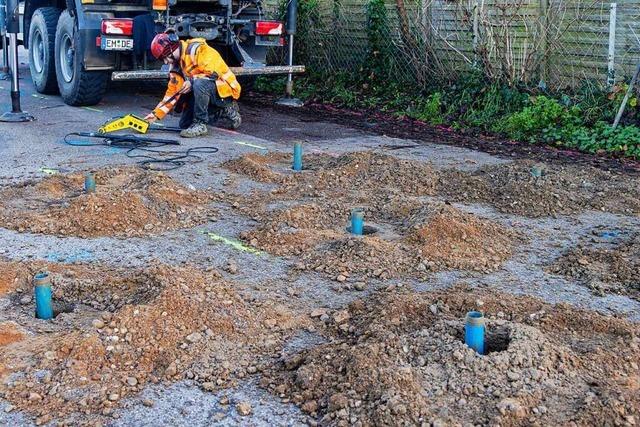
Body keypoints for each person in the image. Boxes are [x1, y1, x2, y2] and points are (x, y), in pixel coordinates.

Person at [144, 31, 242, 138]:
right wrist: (154, 115)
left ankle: (200, 123)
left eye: (165, 58)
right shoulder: (176, 66)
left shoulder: (197, 50)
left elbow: (213, 73)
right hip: (209, 90)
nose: (166, 62)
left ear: (171, 49)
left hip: (225, 91)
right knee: (184, 124)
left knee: (199, 83)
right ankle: (221, 109)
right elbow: (171, 94)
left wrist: (191, 81)